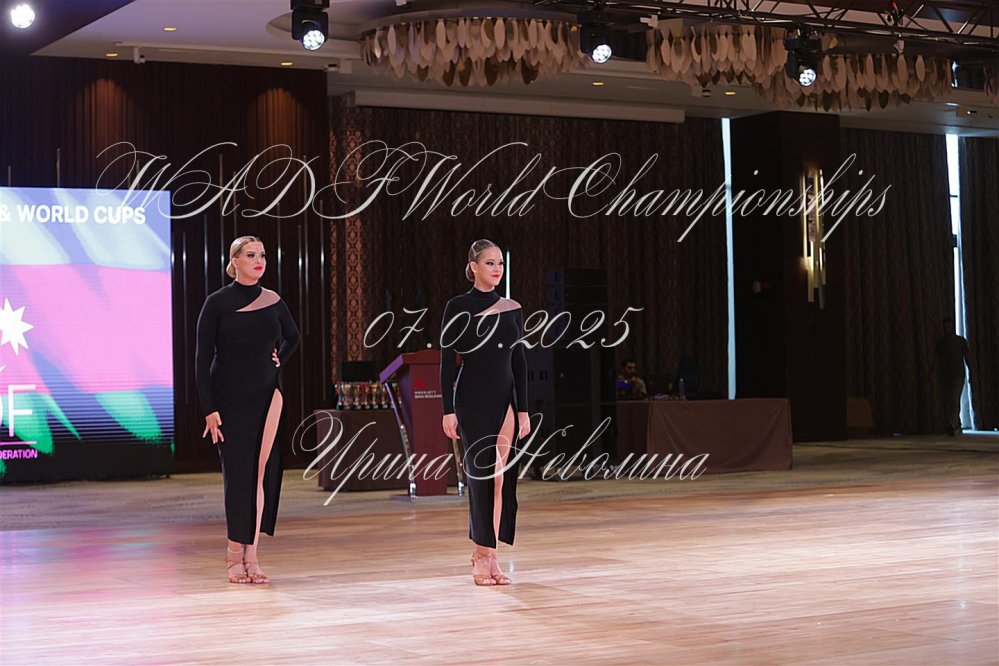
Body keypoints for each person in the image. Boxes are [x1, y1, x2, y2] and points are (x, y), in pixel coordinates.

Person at [196, 236, 300, 584]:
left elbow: (293, 337)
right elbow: (200, 359)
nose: (260, 260)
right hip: (228, 398)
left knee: (259, 473)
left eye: (263, 255)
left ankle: (252, 557)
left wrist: (279, 358)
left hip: (268, 394)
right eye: (251, 255)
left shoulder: (273, 300)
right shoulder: (217, 303)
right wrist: (209, 408)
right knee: (237, 475)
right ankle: (232, 556)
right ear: (235, 261)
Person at [440, 239, 530, 586]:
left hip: (505, 400)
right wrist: (447, 410)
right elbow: (447, 362)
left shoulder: (512, 308)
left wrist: (523, 409)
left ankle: (492, 557)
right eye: (490, 263)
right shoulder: (457, 306)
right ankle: (480, 555)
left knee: (501, 478)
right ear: (473, 267)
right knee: (481, 478)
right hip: (471, 400)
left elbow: (519, 361)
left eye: (500, 263)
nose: (497, 269)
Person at [933, 316, 972, 437]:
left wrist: (971, 371)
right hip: (944, 375)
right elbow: (936, 359)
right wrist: (931, 373)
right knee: (949, 400)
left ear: (953, 326)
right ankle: (957, 423)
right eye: (946, 326)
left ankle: (952, 424)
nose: (947, 328)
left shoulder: (961, 341)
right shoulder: (940, 343)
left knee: (954, 399)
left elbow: (967, 357)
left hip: (958, 375)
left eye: (949, 326)